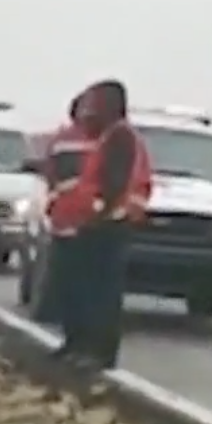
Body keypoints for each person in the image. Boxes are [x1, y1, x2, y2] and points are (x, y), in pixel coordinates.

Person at [54, 80, 152, 369]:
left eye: (95, 103)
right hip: (99, 222)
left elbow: (114, 181)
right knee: (84, 289)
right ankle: (81, 346)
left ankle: (99, 353)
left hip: (109, 225)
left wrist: (98, 214)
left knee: (101, 293)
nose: (89, 110)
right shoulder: (110, 135)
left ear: (111, 106)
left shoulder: (121, 136)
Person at [32, 95, 96, 327]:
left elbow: (50, 173)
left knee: (67, 275)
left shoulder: (62, 140)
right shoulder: (113, 138)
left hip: (70, 219)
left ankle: (73, 323)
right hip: (91, 221)